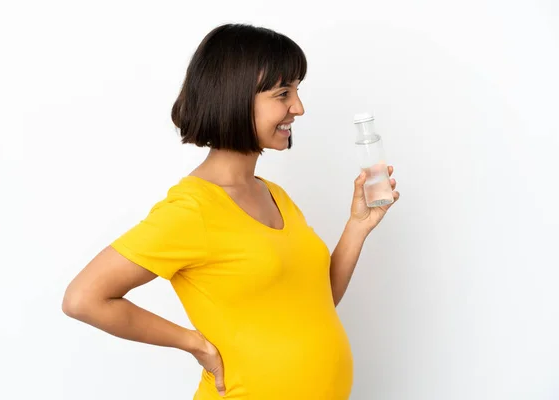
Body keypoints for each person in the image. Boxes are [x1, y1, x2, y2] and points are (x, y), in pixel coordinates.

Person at [62, 23, 399, 400]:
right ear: (235, 98)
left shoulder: (274, 195)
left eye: (297, 91)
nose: (299, 108)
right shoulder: (193, 210)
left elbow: (316, 303)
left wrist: (357, 227)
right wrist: (194, 343)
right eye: (283, 93)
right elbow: (83, 298)